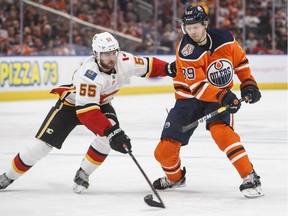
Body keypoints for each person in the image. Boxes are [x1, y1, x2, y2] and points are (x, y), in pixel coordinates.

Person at [0, 32, 176, 193]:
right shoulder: (88, 75)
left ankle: (83, 173)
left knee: (107, 138)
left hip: (101, 104)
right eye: (106, 54)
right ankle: (8, 176)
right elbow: (87, 113)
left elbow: (148, 65)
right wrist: (112, 132)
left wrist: (169, 68)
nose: (111, 58)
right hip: (72, 106)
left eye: (113, 52)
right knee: (41, 146)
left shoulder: (124, 60)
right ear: (96, 55)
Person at [152, 6, 263, 198]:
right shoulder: (186, 51)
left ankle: (249, 176)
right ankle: (175, 178)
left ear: (205, 24)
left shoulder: (226, 39)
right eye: (188, 27)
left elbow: (240, 62)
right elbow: (198, 88)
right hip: (188, 99)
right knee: (163, 151)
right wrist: (224, 96)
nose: (192, 31)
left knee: (223, 133)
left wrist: (248, 83)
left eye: (195, 26)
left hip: (217, 96)